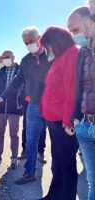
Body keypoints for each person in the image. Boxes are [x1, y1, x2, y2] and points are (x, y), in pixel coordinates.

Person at [0, 26, 53, 184]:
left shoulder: (52, 56)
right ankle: (29, 173)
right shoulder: (26, 60)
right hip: (35, 105)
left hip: (52, 104)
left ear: (40, 38)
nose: (30, 44)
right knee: (30, 141)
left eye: (32, 41)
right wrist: (1, 98)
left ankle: (58, 178)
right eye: (26, 43)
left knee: (57, 142)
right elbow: (17, 81)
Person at [39, 26, 79, 200]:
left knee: (67, 163)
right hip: (53, 119)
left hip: (62, 121)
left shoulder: (71, 54)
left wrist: (68, 121)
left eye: (47, 45)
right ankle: (54, 195)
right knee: (58, 161)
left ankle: (67, 196)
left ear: (55, 42)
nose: (46, 49)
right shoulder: (59, 57)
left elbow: (72, 88)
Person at [68, 6, 95, 200]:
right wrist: (76, 119)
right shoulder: (83, 53)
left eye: (75, 30)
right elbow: (79, 89)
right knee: (92, 183)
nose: (73, 36)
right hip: (85, 126)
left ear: (90, 22)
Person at [0, 50, 24, 169]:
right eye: (3, 58)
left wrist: (21, 101)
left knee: (14, 134)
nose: (5, 60)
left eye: (7, 57)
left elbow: (25, 89)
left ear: (13, 57)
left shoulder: (21, 71)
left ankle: (14, 158)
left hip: (15, 108)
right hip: (1, 108)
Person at [19, 96, 47, 164]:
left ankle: (40, 152)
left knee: (42, 129)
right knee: (26, 127)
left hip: (44, 102)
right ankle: (25, 150)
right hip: (28, 102)